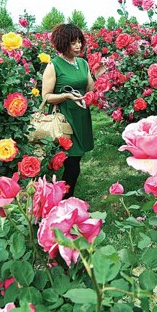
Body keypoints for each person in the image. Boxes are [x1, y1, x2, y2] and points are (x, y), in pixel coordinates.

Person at [41, 23, 99, 198]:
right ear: (62, 43)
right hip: (65, 119)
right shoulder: (54, 65)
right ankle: (65, 200)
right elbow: (46, 97)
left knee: (75, 160)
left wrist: (99, 73)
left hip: (81, 115)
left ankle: (63, 198)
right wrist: (66, 97)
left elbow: (90, 88)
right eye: (73, 42)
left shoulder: (82, 63)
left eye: (79, 41)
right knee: (72, 163)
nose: (78, 46)